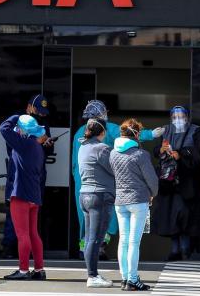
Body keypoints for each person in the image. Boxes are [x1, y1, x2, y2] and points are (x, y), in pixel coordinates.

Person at [72, 100, 163, 258]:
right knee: (107, 218)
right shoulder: (107, 129)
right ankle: (97, 249)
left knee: (86, 218)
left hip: (82, 184)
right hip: (102, 185)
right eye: (103, 112)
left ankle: (85, 250)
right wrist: (152, 134)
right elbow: (128, 133)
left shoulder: (79, 132)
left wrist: (77, 180)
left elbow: (74, 163)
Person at [151, 106, 200, 261]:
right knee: (170, 216)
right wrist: (162, 150)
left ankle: (185, 248)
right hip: (168, 182)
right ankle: (175, 249)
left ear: (187, 117)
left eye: (181, 116)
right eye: (174, 116)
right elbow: (156, 151)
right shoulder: (166, 130)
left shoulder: (196, 131)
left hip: (188, 182)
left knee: (185, 215)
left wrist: (181, 155)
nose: (178, 119)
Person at [109, 119, 159, 291]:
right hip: (138, 200)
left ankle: (124, 279)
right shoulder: (140, 155)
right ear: (136, 134)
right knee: (134, 242)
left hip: (120, 201)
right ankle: (132, 279)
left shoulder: (113, 153)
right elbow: (152, 180)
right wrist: (152, 194)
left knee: (123, 241)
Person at [2, 94, 53, 258]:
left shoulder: (43, 125)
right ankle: (9, 247)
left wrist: (46, 144)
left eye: (43, 112)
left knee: (31, 219)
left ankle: (27, 256)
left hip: (35, 174)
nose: (41, 115)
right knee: (14, 215)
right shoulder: (20, 124)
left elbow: (48, 151)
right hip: (17, 172)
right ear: (30, 107)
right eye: (38, 111)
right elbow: (10, 143)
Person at [0, 114, 48, 280]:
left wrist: (16, 116)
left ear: (22, 131)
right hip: (34, 196)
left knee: (22, 235)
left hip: (20, 195)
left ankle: (23, 270)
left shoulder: (23, 144)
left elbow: (3, 129)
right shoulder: (37, 147)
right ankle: (39, 269)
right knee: (33, 233)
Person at [77, 118, 115, 288]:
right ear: (102, 132)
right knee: (95, 239)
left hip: (84, 195)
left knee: (90, 238)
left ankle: (93, 274)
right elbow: (115, 169)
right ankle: (92, 276)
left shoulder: (83, 147)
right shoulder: (102, 148)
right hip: (99, 196)